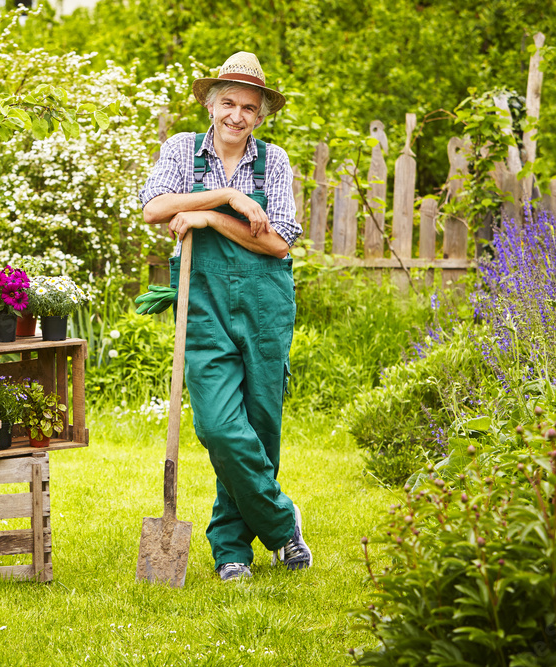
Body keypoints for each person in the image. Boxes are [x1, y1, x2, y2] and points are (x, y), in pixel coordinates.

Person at [139, 51, 311, 581]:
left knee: (259, 426)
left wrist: (208, 217)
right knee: (219, 426)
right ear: (211, 105)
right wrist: (229, 195)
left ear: (260, 116)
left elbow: (279, 242)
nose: (237, 115)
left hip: (264, 304)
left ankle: (231, 549)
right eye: (229, 103)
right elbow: (153, 208)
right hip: (203, 301)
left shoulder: (274, 161)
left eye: (249, 108)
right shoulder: (181, 151)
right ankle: (283, 525)